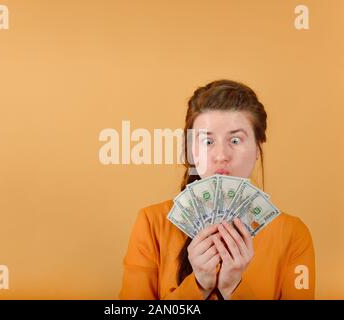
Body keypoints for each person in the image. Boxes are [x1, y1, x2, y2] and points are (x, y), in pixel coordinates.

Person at [119, 80, 315, 300]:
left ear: (257, 148)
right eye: (208, 141)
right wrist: (198, 285)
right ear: (193, 149)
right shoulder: (151, 224)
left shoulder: (293, 235)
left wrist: (233, 288)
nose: (221, 154)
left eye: (235, 139)